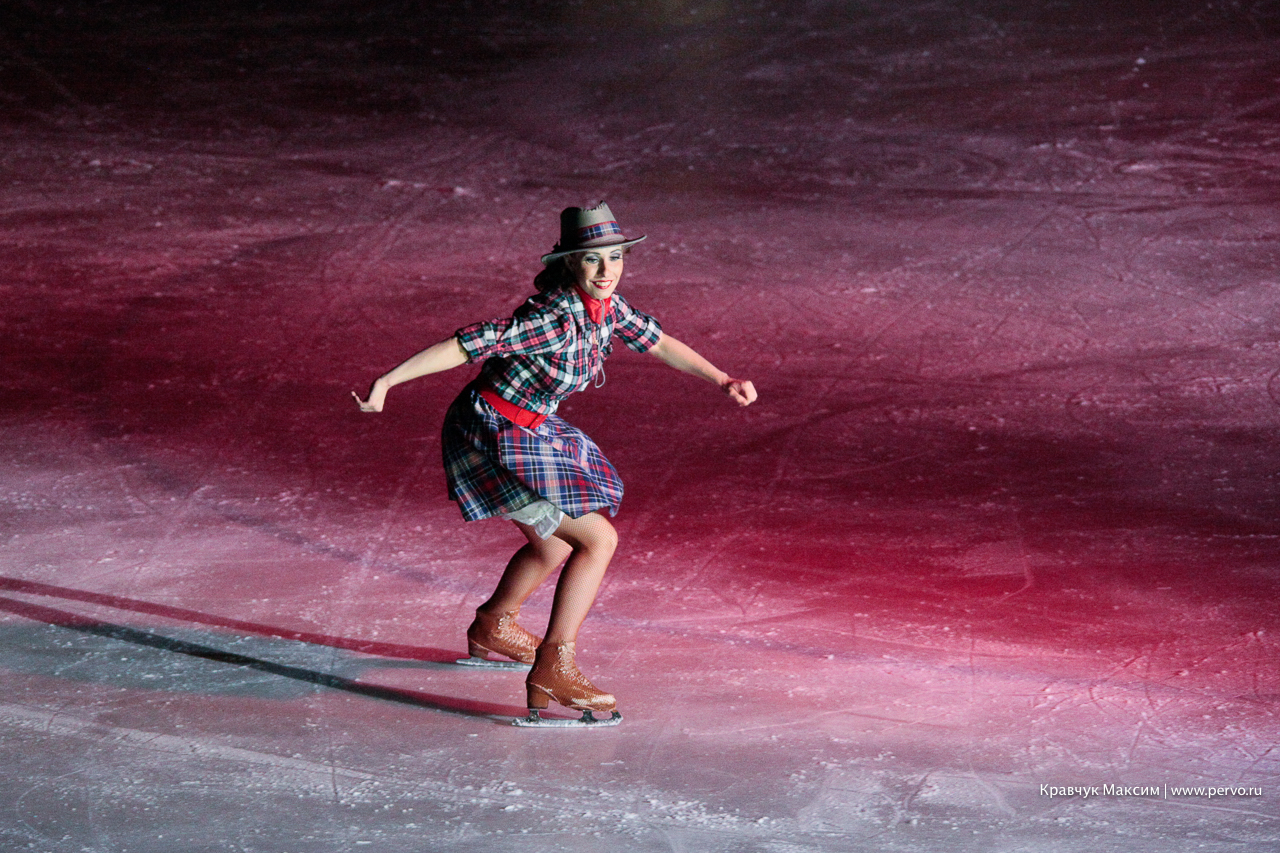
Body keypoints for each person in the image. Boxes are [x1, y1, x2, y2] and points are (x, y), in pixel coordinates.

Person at [354, 202, 756, 720]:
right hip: (489, 433)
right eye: (592, 259)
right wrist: (387, 381)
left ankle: (494, 624)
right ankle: (554, 665)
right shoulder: (551, 319)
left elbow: (658, 343)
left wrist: (722, 379)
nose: (606, 270)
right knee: (597, 539)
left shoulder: (608, 309)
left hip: (529, 426)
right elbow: (468, 344)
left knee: (551, 545)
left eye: (615, 257)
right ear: (569, 263)